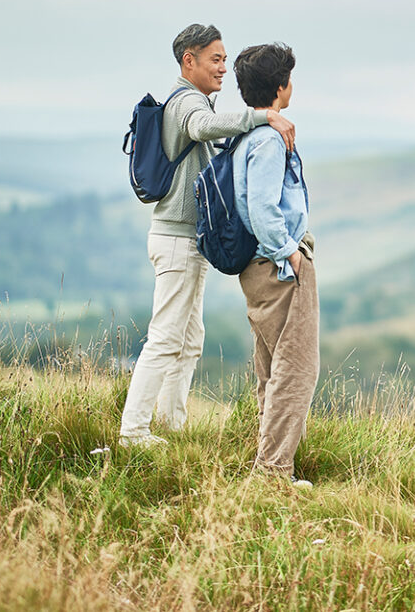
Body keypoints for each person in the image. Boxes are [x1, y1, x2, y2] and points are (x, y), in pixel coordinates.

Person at [119, 24, 295, 448]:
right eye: (215, 58)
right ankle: (133, 432)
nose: (222, 67)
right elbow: (202, 128)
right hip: (177, 240)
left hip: (184, 241)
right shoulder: (186, 103)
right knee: (166, 335)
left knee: (189, 337)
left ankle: (170, 424)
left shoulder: (192, 100)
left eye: (223, 58)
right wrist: (263, 115)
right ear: (189, 60)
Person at [231, 42, 319, 489]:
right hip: (278, 265)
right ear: (281, 87)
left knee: (270, 367)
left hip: (256, 266)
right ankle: (273, 472)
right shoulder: (269, 140)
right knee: (297, 368)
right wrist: (291, 252)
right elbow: (264, 209)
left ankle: (269, 464)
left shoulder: (247, 135)